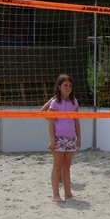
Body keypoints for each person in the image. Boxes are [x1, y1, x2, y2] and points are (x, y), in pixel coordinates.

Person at [45, 74, 81, 202]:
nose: (68, 88)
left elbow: (76, 121)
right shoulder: (55, 102)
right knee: (57, 166)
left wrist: (79, 138)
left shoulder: (74, 102)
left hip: (71, 138)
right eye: (65, 85)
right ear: (59, 87)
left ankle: (68, 193)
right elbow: (50, 123)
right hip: (59, 138)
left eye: (70, 86)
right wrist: (52, 140)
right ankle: (56, 195)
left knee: (67, 167)